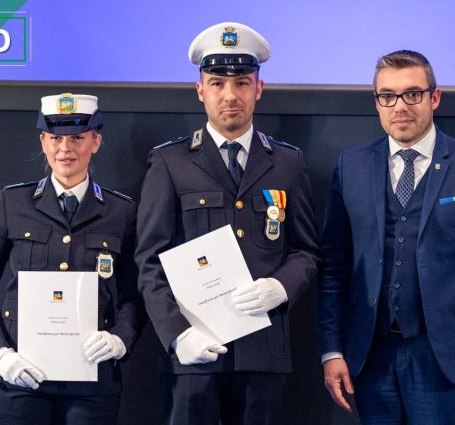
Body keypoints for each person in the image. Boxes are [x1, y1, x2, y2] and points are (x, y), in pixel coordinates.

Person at [317, 50, 455, 424]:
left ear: (434, 97)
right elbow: (333, 268)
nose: (400, 106)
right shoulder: (351, 166)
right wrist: (331, 350)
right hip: (369, 355)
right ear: (377, 102)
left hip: (443, 356)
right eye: (387, 96)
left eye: (412, 94)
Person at [135, 22, 320, 425]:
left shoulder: (287, 162)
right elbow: (149, 260)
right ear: (200, 90)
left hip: (263, 352)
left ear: (259, 88)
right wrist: (177, 334)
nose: (230, 95)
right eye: (217, 83)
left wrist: (281, 287)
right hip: (194, 352)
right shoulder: (170, 162)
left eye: (242, 82)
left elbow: (306, 250)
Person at [0, 93, 145, 424]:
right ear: (43, 142)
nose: (65, 148)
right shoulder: (13, 203)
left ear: (96, 142)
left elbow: (135, 294)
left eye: (77, 138)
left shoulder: (121, 211)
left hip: (91, 383)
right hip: (19, 378)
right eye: (56, 138)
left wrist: (120, 338)